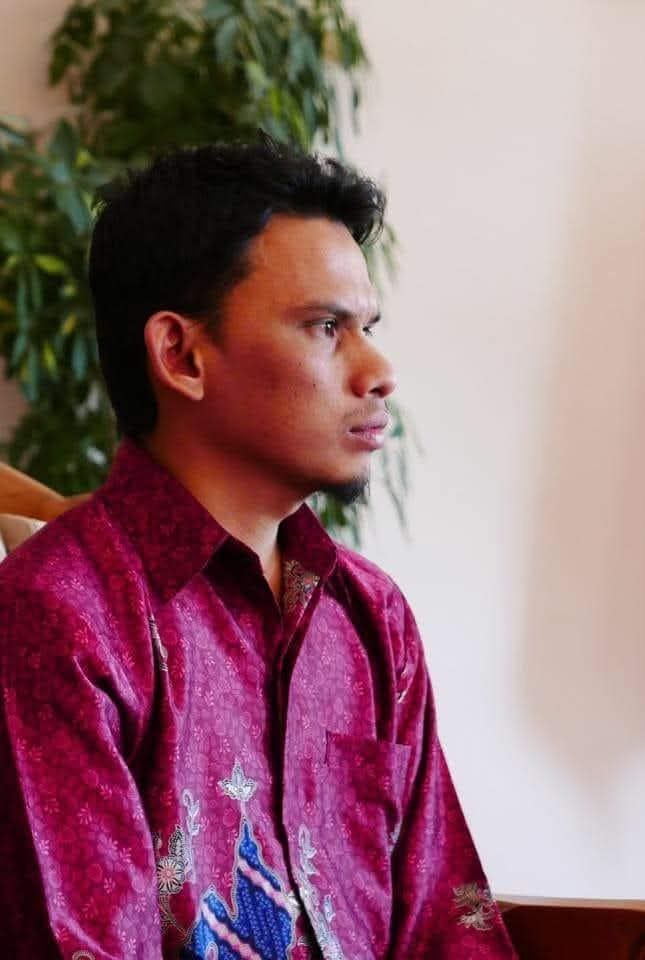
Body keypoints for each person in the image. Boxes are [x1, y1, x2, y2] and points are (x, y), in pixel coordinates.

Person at [0, 138, 517, 959]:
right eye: (326, 327)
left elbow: (447, 924)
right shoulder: (58, 616)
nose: (379, 370)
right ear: (182, 355)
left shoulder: (371, 616)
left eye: (368, 327)